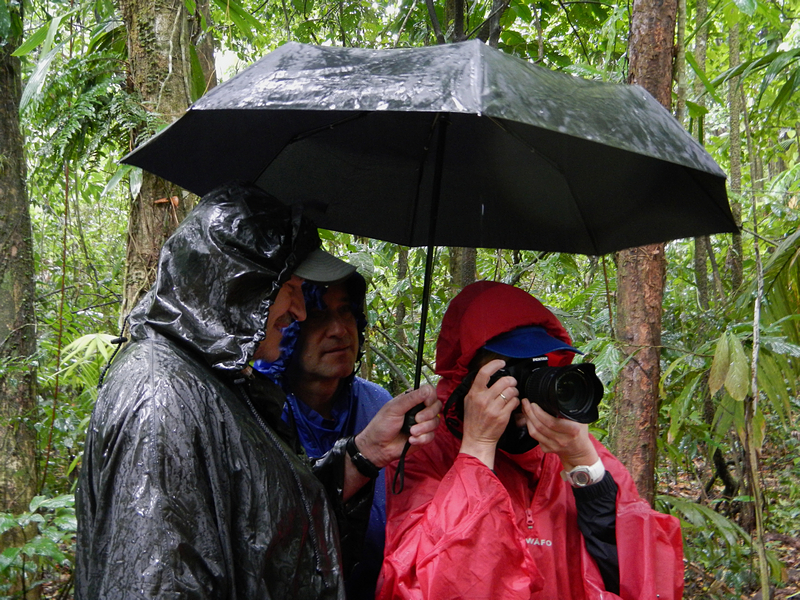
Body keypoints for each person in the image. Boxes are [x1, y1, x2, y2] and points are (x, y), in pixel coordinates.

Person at [75, 181, 441, 600]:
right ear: (239, 286)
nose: (300, 312)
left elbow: (267, 526)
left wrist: (363, 454)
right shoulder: (162, 398)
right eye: (292, 290)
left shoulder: (215, 379)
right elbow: (155, 582)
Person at [379, 281, 684, 600]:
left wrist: (585, 469)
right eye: (513, 370)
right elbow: (425, 586)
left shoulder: (568, 443)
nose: (528, 388)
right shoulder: (425, 450)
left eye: (541, 367)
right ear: (467, 380)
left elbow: (650, 581)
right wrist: (477, 449)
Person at [253, 273, 392, 599]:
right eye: (318, 315)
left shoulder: (378, 407)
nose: (339, 330)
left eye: (346, 312)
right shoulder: (259, 409)